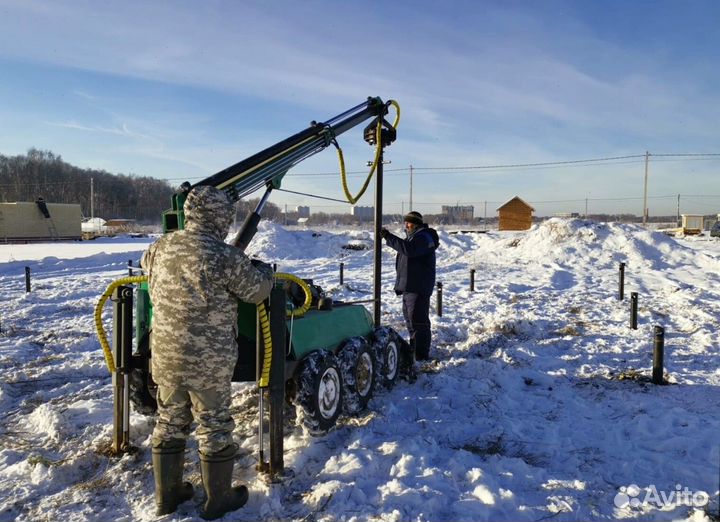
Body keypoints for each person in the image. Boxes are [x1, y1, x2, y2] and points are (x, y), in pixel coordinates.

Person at [141, 185, 273, 520]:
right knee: (213, 425)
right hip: (208, 361)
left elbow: (148, 267)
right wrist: (266, 273)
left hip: (166, 356)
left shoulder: (160, 246)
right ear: (221, 216)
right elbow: (257, 291)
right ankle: (218, 499)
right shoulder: (223, 255)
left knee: (169, 420)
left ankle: (166, 497)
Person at [380, 211, 440, 363]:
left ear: (417, 224)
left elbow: (409, 250)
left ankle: (421, 355)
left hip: (418, 287)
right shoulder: (414, 237)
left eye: (409, 222)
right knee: (410, 321)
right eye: (405, 222)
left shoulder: (424, 237)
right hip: (409, 287)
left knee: (418, 322)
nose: (406, 225)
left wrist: (388, 236)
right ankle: (415, 351)